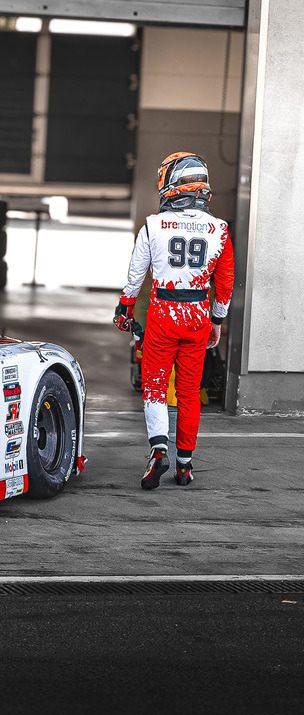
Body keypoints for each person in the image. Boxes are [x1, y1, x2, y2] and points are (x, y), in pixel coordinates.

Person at [114, 152, 234, 489]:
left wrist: (125, 309)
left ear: (172, 183)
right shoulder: (220, 230)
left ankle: (158, 450)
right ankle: (184, 465)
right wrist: (216, 322)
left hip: (163, 314)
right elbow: (225, 285)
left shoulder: (153, 225)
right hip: (197, 316)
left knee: (155, 388)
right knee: (189, 392)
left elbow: (135, 276)